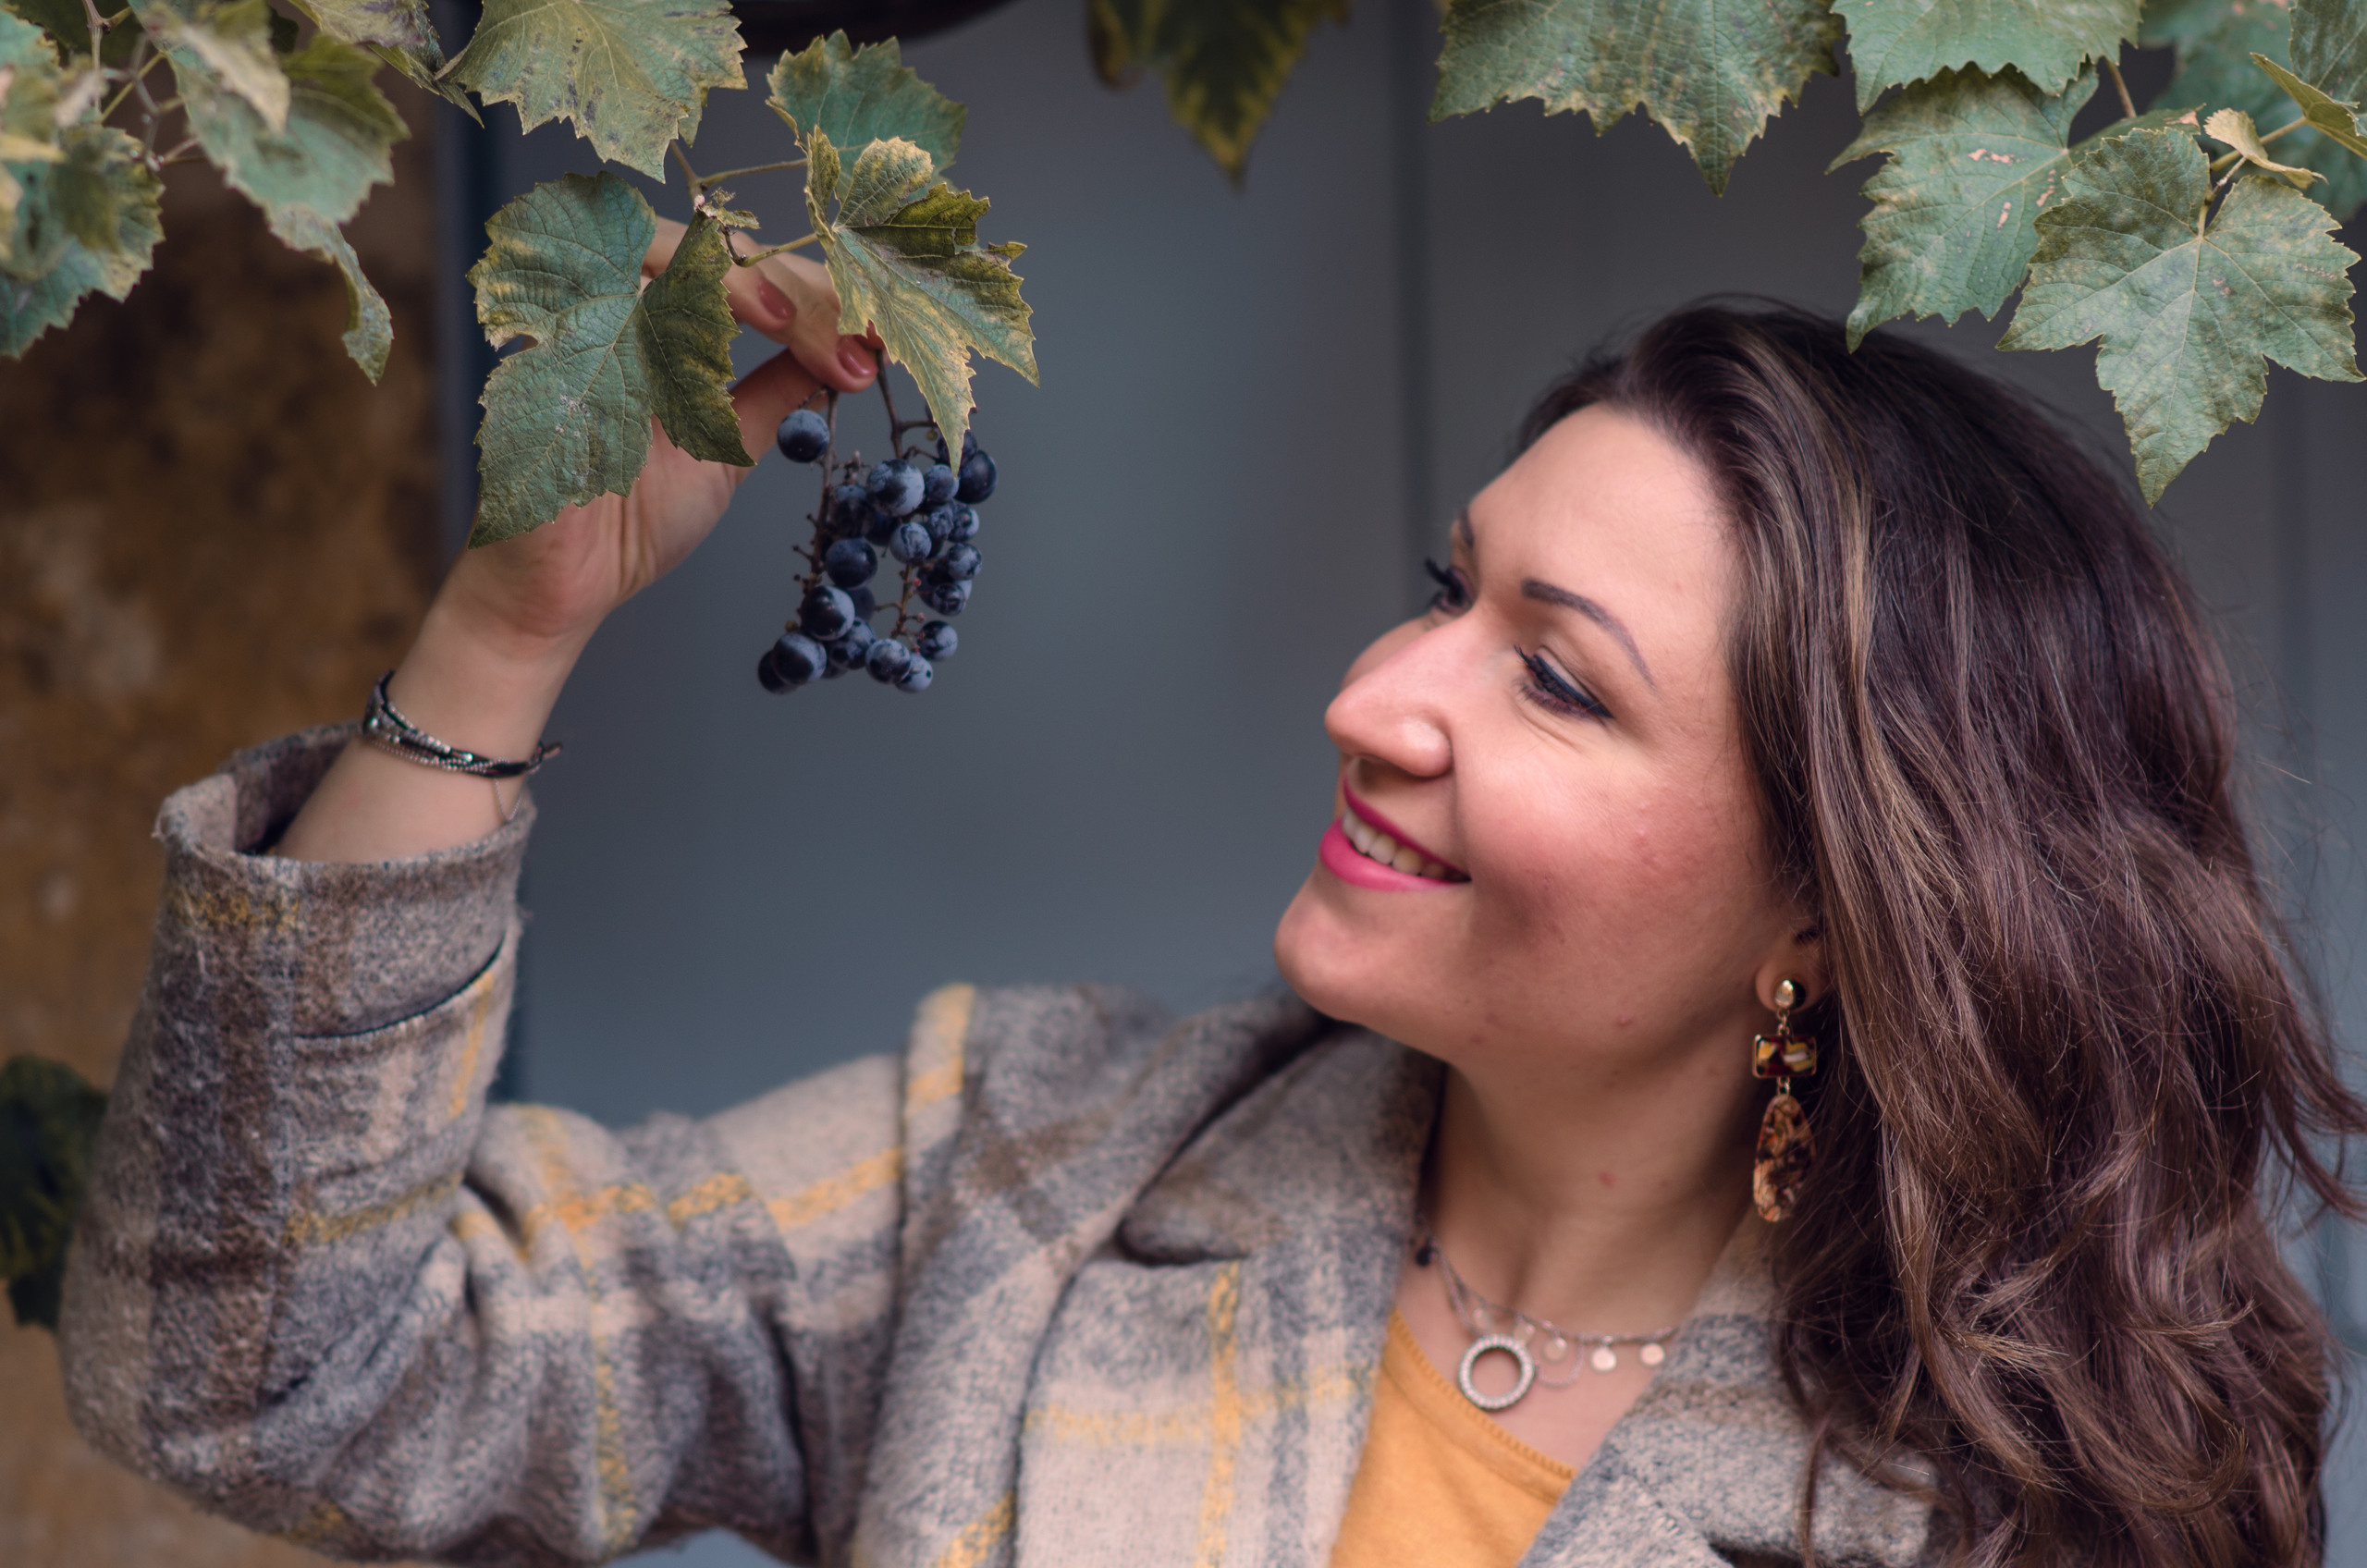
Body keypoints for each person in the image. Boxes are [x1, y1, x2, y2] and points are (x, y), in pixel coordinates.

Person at [54, 228, 2363, 1568]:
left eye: (1554, 679)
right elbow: (259, 1374)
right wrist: (507, 623)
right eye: (1442, 594)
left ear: (1833, 909)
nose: (1369, 696)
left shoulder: (2023, 1506)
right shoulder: (1029, 1177)